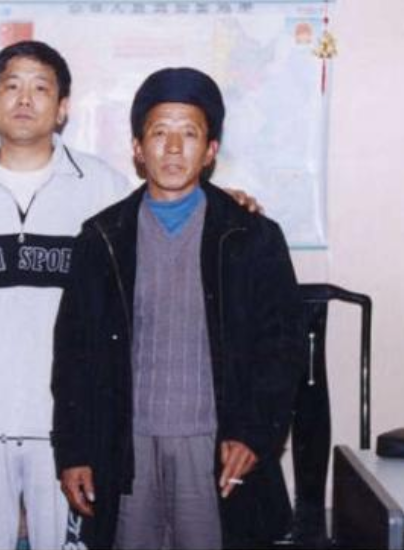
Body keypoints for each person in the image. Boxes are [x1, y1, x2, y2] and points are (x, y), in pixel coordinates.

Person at [0, 41, 262, 550]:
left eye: (41, 88)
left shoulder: (101, 186)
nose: (24, 99)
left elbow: (170, 200)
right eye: (11, 86)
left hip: (71, 423)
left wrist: (228, 200)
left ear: (63, 108)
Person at [51, 67, 305, 550]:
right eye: (158, 133)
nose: (172, 148)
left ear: (210, 151)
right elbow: (74, 357)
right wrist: (74, 451)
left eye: (189, 134)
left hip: (214, 449)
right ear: (137, 148)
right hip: (127, 449)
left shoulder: (251, 236)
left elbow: (282, 348)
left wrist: (254, 434)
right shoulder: (102, 239)